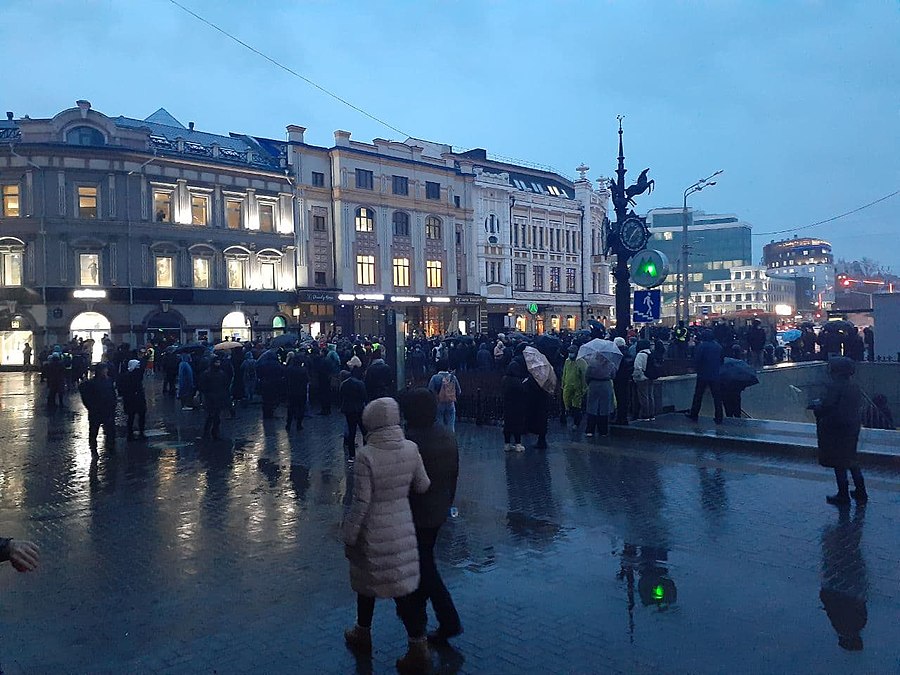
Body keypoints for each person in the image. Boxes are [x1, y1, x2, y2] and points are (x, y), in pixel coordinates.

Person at [342, 397, 432, 672]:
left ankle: (362, 631)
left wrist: (348, 534)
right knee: (402, 589)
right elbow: (423, 485)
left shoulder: (366, 455)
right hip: (402, 526)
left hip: (373, 530)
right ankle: (418, 645)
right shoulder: (411, 448)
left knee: (365, 582)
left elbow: (361, 502)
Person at [401, 389, 463, 644]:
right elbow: (454, 476)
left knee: (424, 567)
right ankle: (422, 616)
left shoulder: (411, 441)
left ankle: (446, 620)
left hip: (417, 513)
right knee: (423, 562)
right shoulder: (447, 435)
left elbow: (405, 483)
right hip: (438, 510)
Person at [811, 357, 867, 506]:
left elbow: (827, 407)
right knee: (851, 459)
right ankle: (861, 491)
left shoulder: (835, 387)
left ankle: (843, 494)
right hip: (852, 426)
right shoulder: (854, 386)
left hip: (836, 428)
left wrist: (817, 408)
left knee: (839, 463)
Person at [686, 330, 724, 424]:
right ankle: (719, 416)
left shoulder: (701, 346)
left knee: (698, 395)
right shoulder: (718, 346)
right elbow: (722, 360)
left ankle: (694, 413)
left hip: (703, 374)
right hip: (715, 374)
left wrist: (695, 368)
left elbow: (697, 360)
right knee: (717, 397)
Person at [79, 362, 118, 453]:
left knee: (110, 431)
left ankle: (110, 448)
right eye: (104, 370)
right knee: (94, 431)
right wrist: (90, 406)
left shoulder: (109, 381)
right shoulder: (92, 383)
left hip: (108, 411)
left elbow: (112, 394)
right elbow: (84, 392)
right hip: (96, 411)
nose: (106, 371)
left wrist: (113, 404)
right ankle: (93, 449)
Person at [501, 349, 528, 452]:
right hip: (517, 405)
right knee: (517, 424)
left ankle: (507, 444)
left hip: (507, 405)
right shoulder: (517, 381)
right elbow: (522, 391)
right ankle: (518, 444)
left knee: (507, 424)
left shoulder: (505, 379)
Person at [340, 366, 368, 457]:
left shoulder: (344, 383)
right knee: (364, 430)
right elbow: (364, 396)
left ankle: (351, 454)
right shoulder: (360, 384)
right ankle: (365, 451)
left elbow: (341, 394)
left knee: (352, 431)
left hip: (348, 409)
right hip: (359, 409)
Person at [200, 358, 229, 440]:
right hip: (211, 398)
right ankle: (209, 431)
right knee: (211, 415)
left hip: (218, 397)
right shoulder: (207, 374)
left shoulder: (221, 373)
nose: (218, 364)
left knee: (216, 416)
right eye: (216, 362)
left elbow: (225, 385)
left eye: (219, 362)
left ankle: (214, 431)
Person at [427, 361, 461, 433]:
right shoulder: (453, 377)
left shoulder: (435, 377)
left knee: (439, 423)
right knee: (450, 425)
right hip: (450, 402)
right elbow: (459, 391)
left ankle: (441, 440)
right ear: (447, 367)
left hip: (439, 403)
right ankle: (450, 440)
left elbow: (430, 390)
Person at [120, 359, 147, 440]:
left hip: (132, 399)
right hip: (134, 398)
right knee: (134, 416)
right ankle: (137, 433)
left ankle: (132, 434)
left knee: (132, 417)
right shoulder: (133, 376)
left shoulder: (127, 375)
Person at [561, 346, 587, 430]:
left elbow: (584, 376)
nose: (570, 354)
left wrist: (584, 387)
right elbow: (564, 372)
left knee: (576, 406)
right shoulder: (567, 361)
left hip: (577, 387)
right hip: (567, 386)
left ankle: (576, 422)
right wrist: (563, 383)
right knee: (567, 403)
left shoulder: (581, 362)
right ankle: (569, 415)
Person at [284, 353, 310, 432]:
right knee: (301, 408)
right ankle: (299, 424)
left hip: (291, 391)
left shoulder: (289, 369)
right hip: (301, 392)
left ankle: (288, 424)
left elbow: (286, 378)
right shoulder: (303, 370)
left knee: (290, 408)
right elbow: (307, 380)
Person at [632, 340, 655, 421]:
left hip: (642, 378)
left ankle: (645, 415)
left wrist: (635, 377)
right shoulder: (651, 353)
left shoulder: (640, 354)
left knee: (643, 397)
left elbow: (637, 368)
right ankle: (652, 414)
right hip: (650, 377)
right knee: (650, 396)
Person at [612, 336, 633, 425]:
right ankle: (623, 418)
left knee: (619, 399)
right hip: (626, 379)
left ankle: (619, 418)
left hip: (618, 379)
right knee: (625, 399)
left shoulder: (617, 355)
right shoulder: (628, 353)